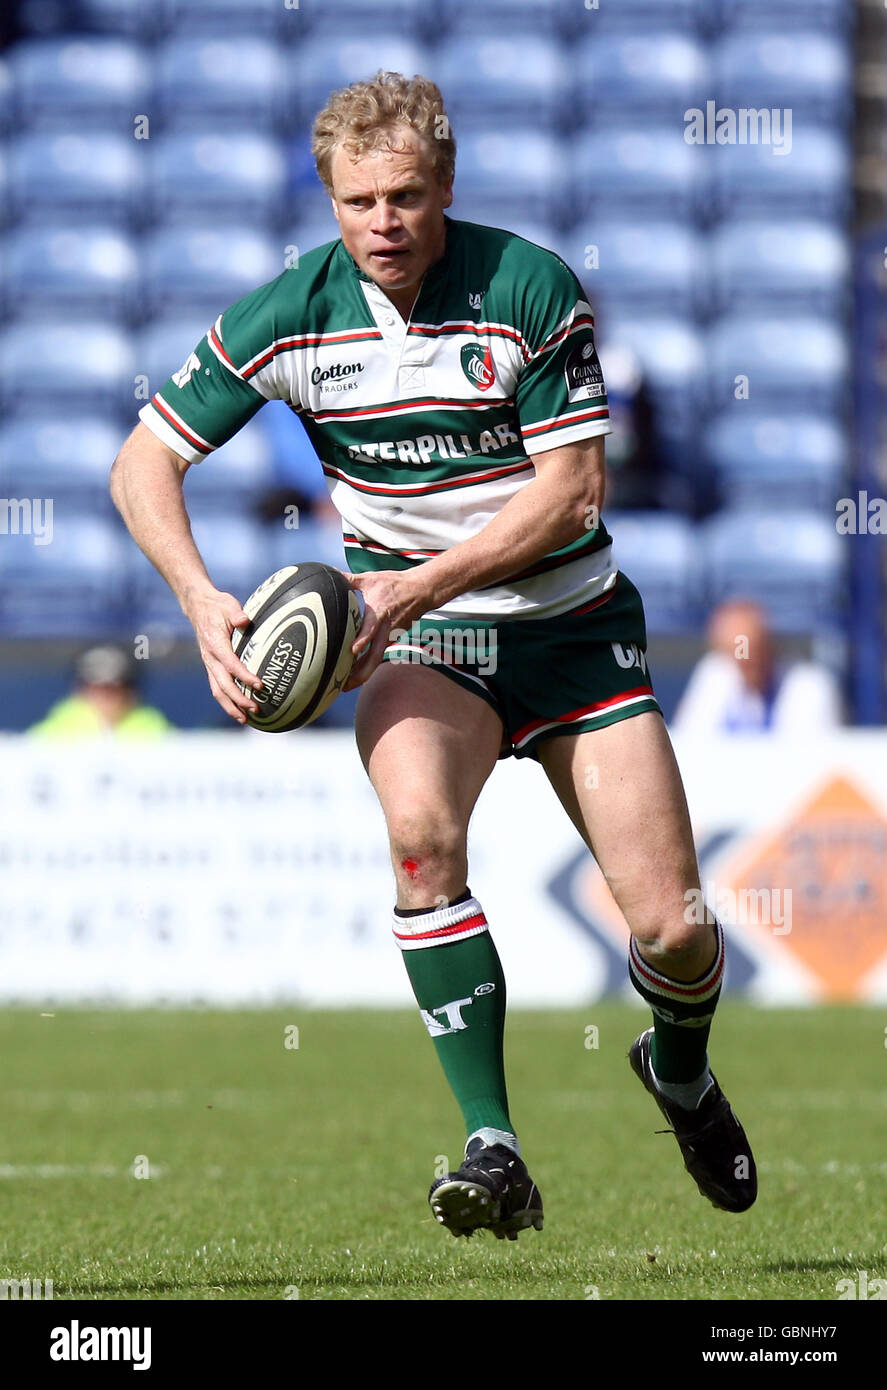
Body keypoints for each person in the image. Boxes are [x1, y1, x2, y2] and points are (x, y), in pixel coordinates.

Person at [110, 72, 756, 1239]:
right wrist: (200, 599)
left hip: (570, 631)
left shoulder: (528, 285)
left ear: (444, 186)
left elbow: (572, 493)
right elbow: (141, 462)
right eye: (358, 201)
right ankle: (492, 1145)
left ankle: (676, 1071)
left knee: (672, 927)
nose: (384, 222)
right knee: (419, 840)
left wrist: (407, 584)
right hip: (421, 647)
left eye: (405, 196)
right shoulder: (293, 312)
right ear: (329, 201)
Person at [672, 599, 843, 735]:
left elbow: (813, 753)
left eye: (753, 649)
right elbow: (690, 741)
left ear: (769, 644)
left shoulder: (809, 684)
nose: (746, 659)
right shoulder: (714, 674)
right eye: (736, 652)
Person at [29, 644, 171, 740]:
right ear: (79, 690)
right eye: (96, 688)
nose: (105, 696)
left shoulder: (151, 725)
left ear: (131, 692)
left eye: (114, 689)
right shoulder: (60, 726)